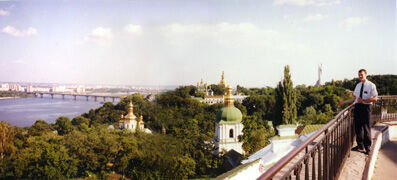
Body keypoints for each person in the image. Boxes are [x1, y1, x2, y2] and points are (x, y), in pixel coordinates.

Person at [339, 69, 378, 155]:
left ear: (366, 75)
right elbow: (355, 99)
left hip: (366, 107)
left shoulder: (371, 85)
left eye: (362, 75)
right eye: (359, 75)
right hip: (357, 107)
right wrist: (343, 102)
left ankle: (368, 147)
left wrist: (363, 100)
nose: (360, 76)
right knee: (358, 127)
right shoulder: (358, 85)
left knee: (366, 127)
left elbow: (375, 98)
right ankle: (360, 146)